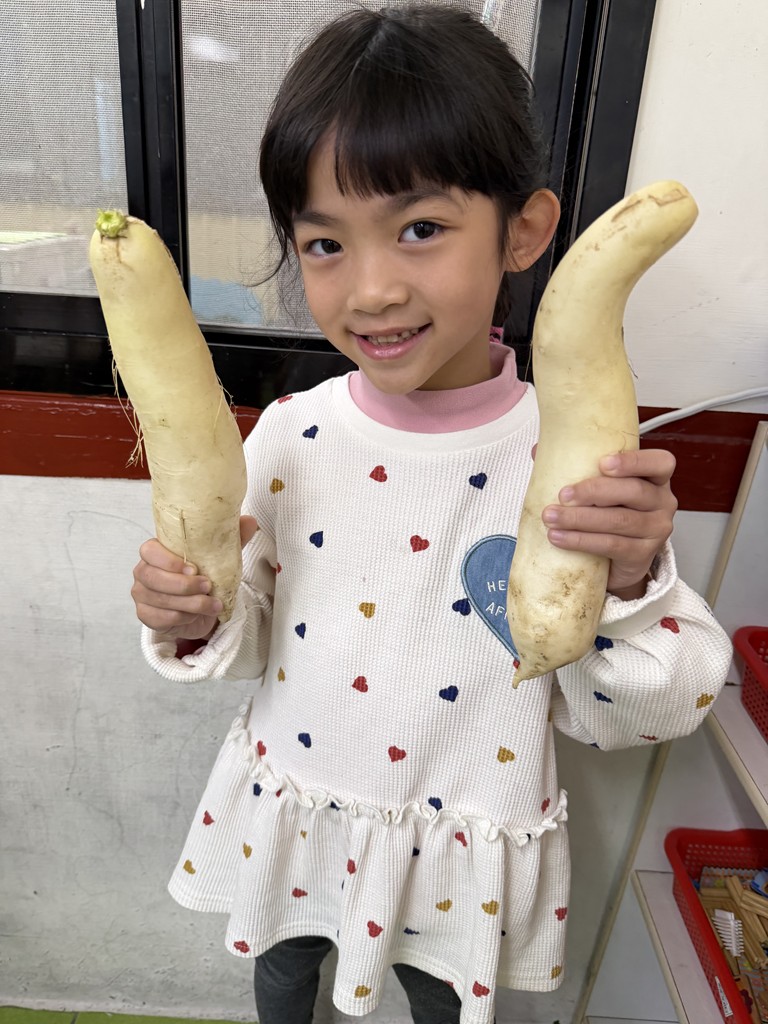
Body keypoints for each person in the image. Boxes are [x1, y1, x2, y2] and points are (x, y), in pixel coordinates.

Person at [131, 6, 731, 1023]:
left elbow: (644, 714)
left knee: (441, 998)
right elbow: (249, 643)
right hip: (301, 804)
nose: (371, 289)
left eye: (420, 229)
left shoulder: (574, 461)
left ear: (524, 231)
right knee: (282, 970)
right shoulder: (289, 435)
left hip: (460, 841)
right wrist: (194, 615)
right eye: (325, 242)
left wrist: (631, 584)